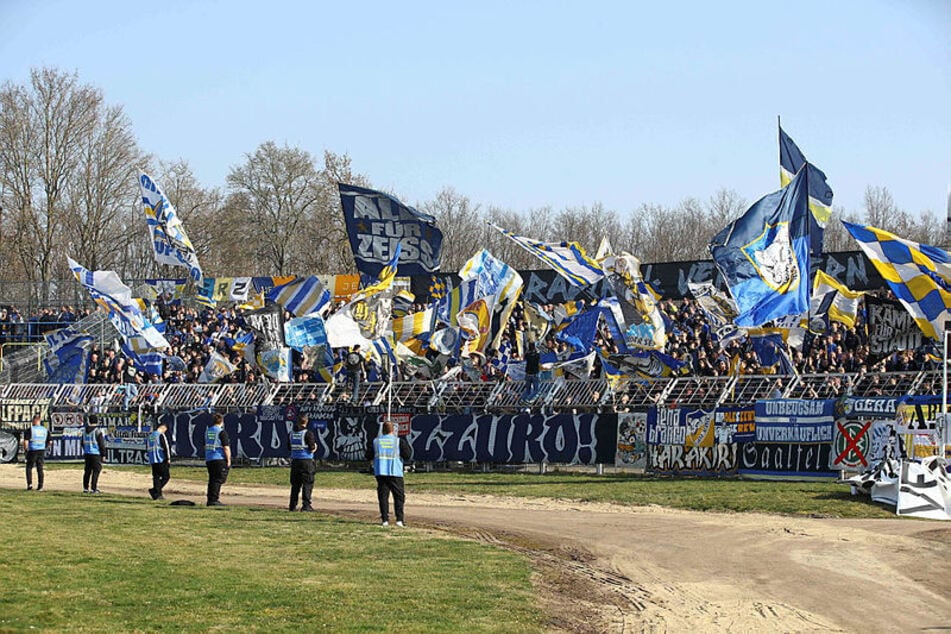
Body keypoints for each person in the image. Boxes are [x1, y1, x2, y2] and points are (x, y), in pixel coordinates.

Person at [366, 420, 411, 527]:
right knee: (399, 497)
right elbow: (407, 455)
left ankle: (385, 520)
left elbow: (368, 455)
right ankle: (399, 520)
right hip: (395, 472)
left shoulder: (376, 442)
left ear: (382, 430)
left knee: (383, 496)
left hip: (381, 472)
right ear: (393, 430)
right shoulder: (398, 442)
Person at [287, 413, 317, 512]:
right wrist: (315, 447)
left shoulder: (291, 434)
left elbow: (289, 447)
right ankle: (306, 505)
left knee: (295, 485)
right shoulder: (308, 433)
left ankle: (292, 505)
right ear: (306, 422)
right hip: (306, 461)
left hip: (295, 461)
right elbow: (311, 448)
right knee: (307, 483)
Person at [204, 413, 231, 506]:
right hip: (219, 457)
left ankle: (210, 498)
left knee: (212, 479)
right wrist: (229, 459)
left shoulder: (208, 431)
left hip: (209, 458)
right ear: (222, 422)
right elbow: (226, 447)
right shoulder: (221, 432)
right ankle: (214, 500)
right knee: (218, 479)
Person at [22, 414, 51, 491]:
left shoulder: (30, 429)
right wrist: (45, 447)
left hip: (32, 450)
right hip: (41, 450)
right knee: (40, 468)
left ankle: (30, 484)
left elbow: (26, 441)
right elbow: (50, 442)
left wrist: (25, 450)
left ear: (34, 420)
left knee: (29, 467)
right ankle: (40, 486)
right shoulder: (45, 430)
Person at [146, 420, 171, 500]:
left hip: (153, 459)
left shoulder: (151, 436)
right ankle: (155, 490)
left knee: (156, 477)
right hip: (161, 458)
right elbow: (165, 447)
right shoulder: (161, 435)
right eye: (165, 430)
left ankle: (157, 495)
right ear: (163, 427)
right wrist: (168, 458)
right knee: (166, 476)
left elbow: (147, 446)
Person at [81, 414, 106, 494]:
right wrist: (103, 455)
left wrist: (85, 449)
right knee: (96, 470)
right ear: (97, 421)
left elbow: (82, 442)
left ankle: (85, 488)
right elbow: (101, 444)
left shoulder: (84, 431)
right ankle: (93, 488)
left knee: (87, 471)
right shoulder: (97, 431)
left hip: (87, 453)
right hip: (95, 454)